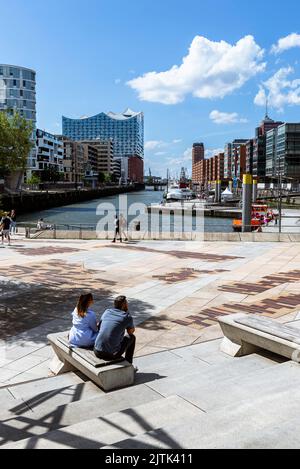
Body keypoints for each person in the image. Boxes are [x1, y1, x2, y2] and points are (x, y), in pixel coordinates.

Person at [94, 295, 136, 366]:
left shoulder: (107, 312)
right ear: (124, 305)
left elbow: (99, 326)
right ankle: (129, 365)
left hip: (97, 351)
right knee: (132, 337)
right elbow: (130, 332)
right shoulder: (127, 317)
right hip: (111, 354)